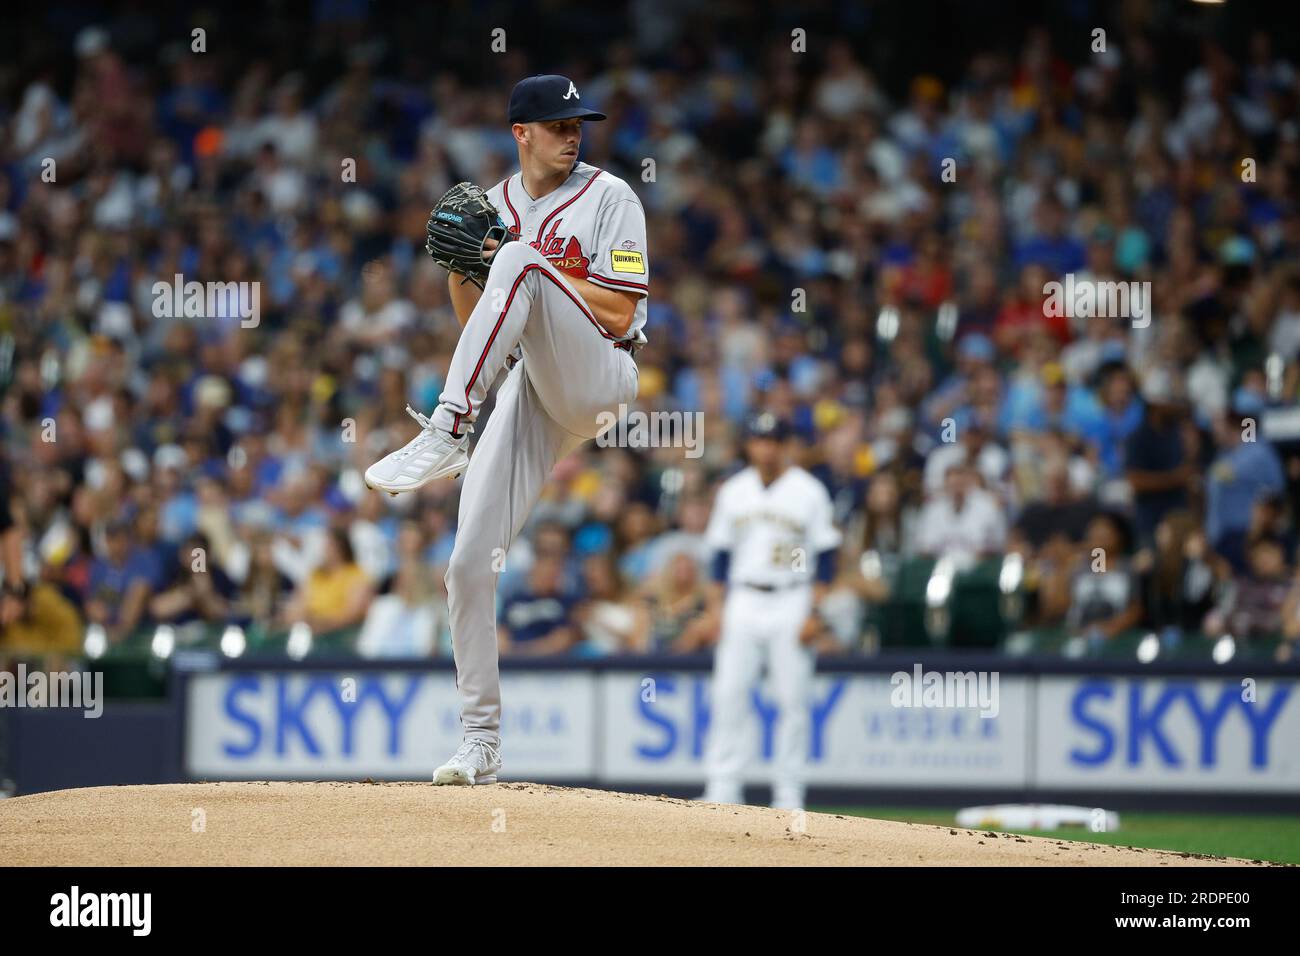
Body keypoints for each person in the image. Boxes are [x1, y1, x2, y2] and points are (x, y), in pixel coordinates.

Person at [364, 75, 648, 786]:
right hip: (531, 383)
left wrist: (518, 260)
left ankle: (448, 427)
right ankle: (480, 741)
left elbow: (618, 316)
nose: (573, 132)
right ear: (521, 133)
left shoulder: (611, 197)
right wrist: (467, 267)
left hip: (601, 377)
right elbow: (479, 327)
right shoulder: (491, 206)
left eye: (578, 122)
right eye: (557, 124)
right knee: (466, 564)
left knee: (520, 256)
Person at [699, 413, 842, 812]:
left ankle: (788, 794)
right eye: (759, 440)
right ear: (749, 445)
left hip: (792, 596)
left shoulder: (808, 491)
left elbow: (827, 555)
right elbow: (721, 557)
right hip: (743, 598)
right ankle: (722, 788)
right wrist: (715, 609)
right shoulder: (734, 490)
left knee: (792, 699)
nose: (766, 448)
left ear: (786, 445)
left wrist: (815, 610)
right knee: (729, 693)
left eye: (774, 440)